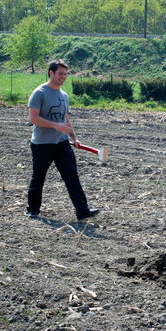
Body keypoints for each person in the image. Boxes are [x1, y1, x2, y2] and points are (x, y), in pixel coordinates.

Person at [26, 59, 99, 220]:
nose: (63, 77)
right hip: (41, 144)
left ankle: (82, 210)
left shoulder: (64, 96)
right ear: (51, 73)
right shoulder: (40, 93)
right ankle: (33, 209)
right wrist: (55, 126)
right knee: (38, 177)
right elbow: (33, 118)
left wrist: (74, 137)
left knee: (71, 176)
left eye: (65, 74)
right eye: (60, 74)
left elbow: (65, 119)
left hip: (62, 143)